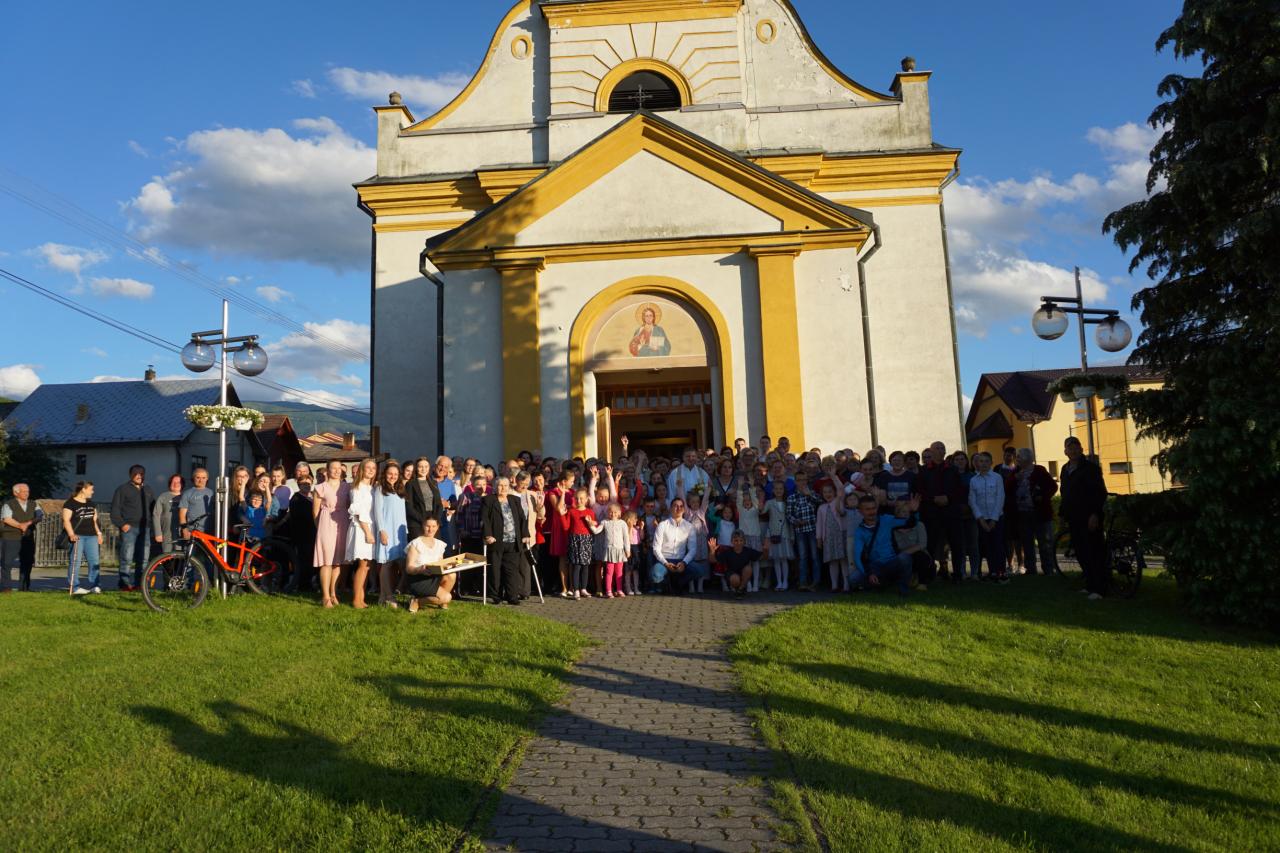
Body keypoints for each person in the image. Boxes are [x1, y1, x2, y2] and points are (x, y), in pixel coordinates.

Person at [1060, 436, 1109, 599]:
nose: (1073, 450)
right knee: (1081, 552)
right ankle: (1090, 585)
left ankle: (1099, 589)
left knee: (1094, 551)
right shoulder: (1065, 469)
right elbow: (1064, 493)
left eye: (1076, 447)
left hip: (1089, 516)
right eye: (1070, 448)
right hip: (1074, 517)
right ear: (1065, 451)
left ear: (1081, 449)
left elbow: (1099, 493)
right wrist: (1062, 514)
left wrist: (1095, 514)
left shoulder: (1090, 468)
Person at [849, 493, 916, 595]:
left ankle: (903, 591)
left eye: (873, 508)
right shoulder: (860, 531)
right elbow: (858, 557)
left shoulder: (886, 519)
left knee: (904, 557)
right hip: (875, 566)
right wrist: (870, 574)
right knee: (853, 578)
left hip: (892, 562)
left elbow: (908, 523)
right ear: (860, 511)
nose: (872, 512)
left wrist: (914, 511)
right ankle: (879, 583)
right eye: (867, 509)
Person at [482, 476, 531, 605]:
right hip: (496, 541)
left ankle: (512, 596)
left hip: (513, 541)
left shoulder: (515, 500)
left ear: (509, 487)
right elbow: (484, 519)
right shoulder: (488, 500)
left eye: (505, 485)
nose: (503, 488)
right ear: (495, 487)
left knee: (511, 570)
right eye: (500, 485)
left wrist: (525, 534)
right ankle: (496, 596)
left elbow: (522, 518)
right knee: (495, 570)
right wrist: (488, 535)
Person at [1013, 448, 1059, 576]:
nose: (1017, 459)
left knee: (1045, 542)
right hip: (1022, 513)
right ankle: (1031, 570)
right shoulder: (1015, 472)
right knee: (1027, 543)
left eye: (1019, 457)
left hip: (1040, 512)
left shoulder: (1039, 470)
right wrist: (1014, 479)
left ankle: (1048, 569)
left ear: (1027, 458)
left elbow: (1053, 486)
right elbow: (1008, 488)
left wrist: (1043, 496)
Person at [312, 460, 351, 608]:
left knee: (337, 561)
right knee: (326, 561)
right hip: (326, 523)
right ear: (327, 470)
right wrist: (320, 527)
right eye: (333, 468)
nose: (336, 471)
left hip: (342, 523)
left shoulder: (347, 487)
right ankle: (325, 596)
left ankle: (334, 593)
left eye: (339, 468)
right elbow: (315, 511)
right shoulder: (320, 487)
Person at [110, 464, 154, 591]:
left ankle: (140, 584)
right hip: (129, 529)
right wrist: (122, 524)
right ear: (131, 475)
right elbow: (115, 509)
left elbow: (153, 508)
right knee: (127, 557)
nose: (139, 476)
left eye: (141, 473)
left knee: (144, 559)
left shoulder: (148, 490)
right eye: (136, 473)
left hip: (145, 529)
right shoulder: (122, 489)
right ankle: (124, 584)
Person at [650, 498, 707, 594]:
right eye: (675, 506)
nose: (678, 508)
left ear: (684, 509)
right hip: (665, 560)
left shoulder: (689, 526)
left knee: (700, 571)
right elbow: (656, 548)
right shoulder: (662, 525)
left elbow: (693, 549)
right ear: (670, 508)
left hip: (681, 560)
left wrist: (684, 563)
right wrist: (666, 563)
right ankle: (667, 584)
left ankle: (679, 583)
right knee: (656, 575)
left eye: (681, 506)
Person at [968, 451, 1008, 584]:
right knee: (987, 546)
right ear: (977, 463)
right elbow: (972, 500)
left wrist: (994, 519)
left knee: (998, 545)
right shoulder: (974, 480)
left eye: (986, 461)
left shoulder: (997, 478)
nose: (983, 464)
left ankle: (1001, 572)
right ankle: (992, 572)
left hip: (996, 518)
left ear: (991, 463)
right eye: (981, 461)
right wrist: (980, 519)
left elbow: (1000, 497)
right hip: (982, 519)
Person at [373, 461, 408, 608]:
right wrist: (382, 530)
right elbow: (377, 512)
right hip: (387, 530)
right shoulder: (380, 489)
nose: (392, 476)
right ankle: (389, 596)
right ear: (384, 474)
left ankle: (383, 596)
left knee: (399, 563)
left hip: (399, 531)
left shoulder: (400, 489)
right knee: (387, 563)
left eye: (395, 474)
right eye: (390, 474)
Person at [345, 458, 378, 609]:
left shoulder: (372, 488)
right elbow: (358, 512)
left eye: (373, 468)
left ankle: (361, 598)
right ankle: (356, 599)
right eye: (368, 468)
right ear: (362, 470)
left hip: (370, 527)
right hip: (362, 528)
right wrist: (367, 532)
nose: (371, 470)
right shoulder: (357, 488)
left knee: (367, 565)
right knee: (363, 564)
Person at [404, 517, 456, 611]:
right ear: (423, 526)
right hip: (419, 579)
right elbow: (408, 568)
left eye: (433, 526)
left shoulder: (440, 544)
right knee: (447, 597)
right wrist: (419, 569)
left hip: (434, 577)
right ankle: (416, 601)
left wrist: (449, 565)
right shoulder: (415, 544)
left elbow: (441, 564)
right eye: (427, 526)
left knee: (452, 575)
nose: (430, 529)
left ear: (437, 527)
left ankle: (440, 600)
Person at [62, 481, 103, 595]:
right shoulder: (70, 503)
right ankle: (74, 587)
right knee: (75, 561)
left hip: (92, 536)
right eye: (91, 489)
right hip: (77, 536)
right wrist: (71, 534)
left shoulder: (91, 504)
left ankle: (95, 586)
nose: (92, 492)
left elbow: (95, 521)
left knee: (94, 561)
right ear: (83, 489)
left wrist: (99, 533)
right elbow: (66, 520)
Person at [2, 483, 42, 591]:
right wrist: (20, 525)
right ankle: (6, 587)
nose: (26, 493)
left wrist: (29, 523)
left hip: (27, 537)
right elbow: (7, 518)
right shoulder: (8, 504)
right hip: (11, 536)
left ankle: (24, 588)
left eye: (27, 491)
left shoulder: (33, 504)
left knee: (27, 561)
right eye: (23, 491)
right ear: (16, 493)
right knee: (7, 562)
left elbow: (39, 515)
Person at [786, 471, 822, 591]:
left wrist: (809, 495)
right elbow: (789, 514)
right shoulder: (792, 497)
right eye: (799, 480)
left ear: (807, 481)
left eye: (804, 480)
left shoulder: (812, 494)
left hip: (813, 529)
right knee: (802, 556)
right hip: (800, 530)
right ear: (795, 482)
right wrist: (796, 521)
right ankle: (802, 582)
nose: (802, 482)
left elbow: (821, 502)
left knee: (814, 556)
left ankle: (816, 581)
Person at [893, 499, 934, 590]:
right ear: (897, 514)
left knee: (920, 555)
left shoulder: (919, 525)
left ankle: (922, 583)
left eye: (908, 512)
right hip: (901, 559)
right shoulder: (892, 529)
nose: (906, 514)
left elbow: (922, 544)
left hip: (918, 556)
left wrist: (904, 553)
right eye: (903, 512)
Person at [287, 472, 317, 594]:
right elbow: (299, 517)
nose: (306, 486)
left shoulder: (312, 497)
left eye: (308, 484)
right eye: (304, 484)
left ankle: (309, 582)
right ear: (299, 485)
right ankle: (303, 585)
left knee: (310, 559)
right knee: (303, 560)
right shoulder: (296, 499)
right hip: (301, 534)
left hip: (312, 533)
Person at [815, 482, 848, 592]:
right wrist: (819, 539)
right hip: (828, 538)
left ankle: (846, 584)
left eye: (830, 492)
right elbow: (819, 525)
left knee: (843, 560)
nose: (827, 494)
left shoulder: (839, 503)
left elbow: (841, 511)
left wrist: (839, 497)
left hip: (840, 535)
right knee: (832, 561)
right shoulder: (821, 508)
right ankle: (834, 585)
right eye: (825, 492)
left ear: (835, 493)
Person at [763, 479, 794, 590]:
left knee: (784, 559)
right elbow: (762, 511)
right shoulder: (769, 502)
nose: (778, 491)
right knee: (776, 559)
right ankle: (779, 582)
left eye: (781, 489)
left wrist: (792, 535)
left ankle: (785, 581)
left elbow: (790, 520)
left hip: (785, 533)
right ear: (773, 490)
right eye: (776, 489)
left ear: (784, 490)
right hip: (774, 533)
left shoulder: (787, 502)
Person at [405, 456, 443, 540]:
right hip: (417, 523)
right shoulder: (410, 484)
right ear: (416, 468)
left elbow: (439, 504)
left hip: (433, 523)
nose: (423, 469)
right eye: (420, 467)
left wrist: (435, 520)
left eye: (426, 466)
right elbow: (409, 507)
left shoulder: (433, 483)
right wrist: (423, 520)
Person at [597, 502, 630, 598]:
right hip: (609, 551)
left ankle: (619, 589)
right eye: (611, 512)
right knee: (609, 572)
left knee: (619, 572)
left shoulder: (622, 523)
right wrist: (590, 524)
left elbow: (626, 537)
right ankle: (608, 590)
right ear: (607, 512)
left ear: (619, 513)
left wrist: (627, 550)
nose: (613, 514)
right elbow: (596, 531)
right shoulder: (605, 522)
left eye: (615, 512)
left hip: (620, 551)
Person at [714, 530, 761, 596]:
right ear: (732, 541)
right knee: (735, 579)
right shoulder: (727, 552)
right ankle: (735, 588)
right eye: (736, 541)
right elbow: (713, 560)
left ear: (744, 542)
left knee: (748, 568)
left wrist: (766, 549)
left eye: (741, 540)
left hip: (743, 575)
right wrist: (712, 551)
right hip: (731, 576)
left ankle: (740, 590)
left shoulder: (748, 551)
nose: (739, 543)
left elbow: (762, 557)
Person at [151, 475, 184, 555]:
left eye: (178, 482)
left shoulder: (185, 496)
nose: (176, 484)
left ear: (182, 484)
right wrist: (158, 533)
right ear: (170, 484)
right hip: (166, 531)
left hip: (181, 532)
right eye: (173, 482)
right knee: (166, 554)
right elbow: (156, 515)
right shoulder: (163, 496)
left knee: (180, 554)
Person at [178, 468, 215, 534]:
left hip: (211, 531)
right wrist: (184, 529)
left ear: (207, 479)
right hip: (193, 531)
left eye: (203, 478)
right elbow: (182, 514)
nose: (201, 480)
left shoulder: (212, 493)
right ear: (193, 478)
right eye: (198, 477)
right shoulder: (187, 493)